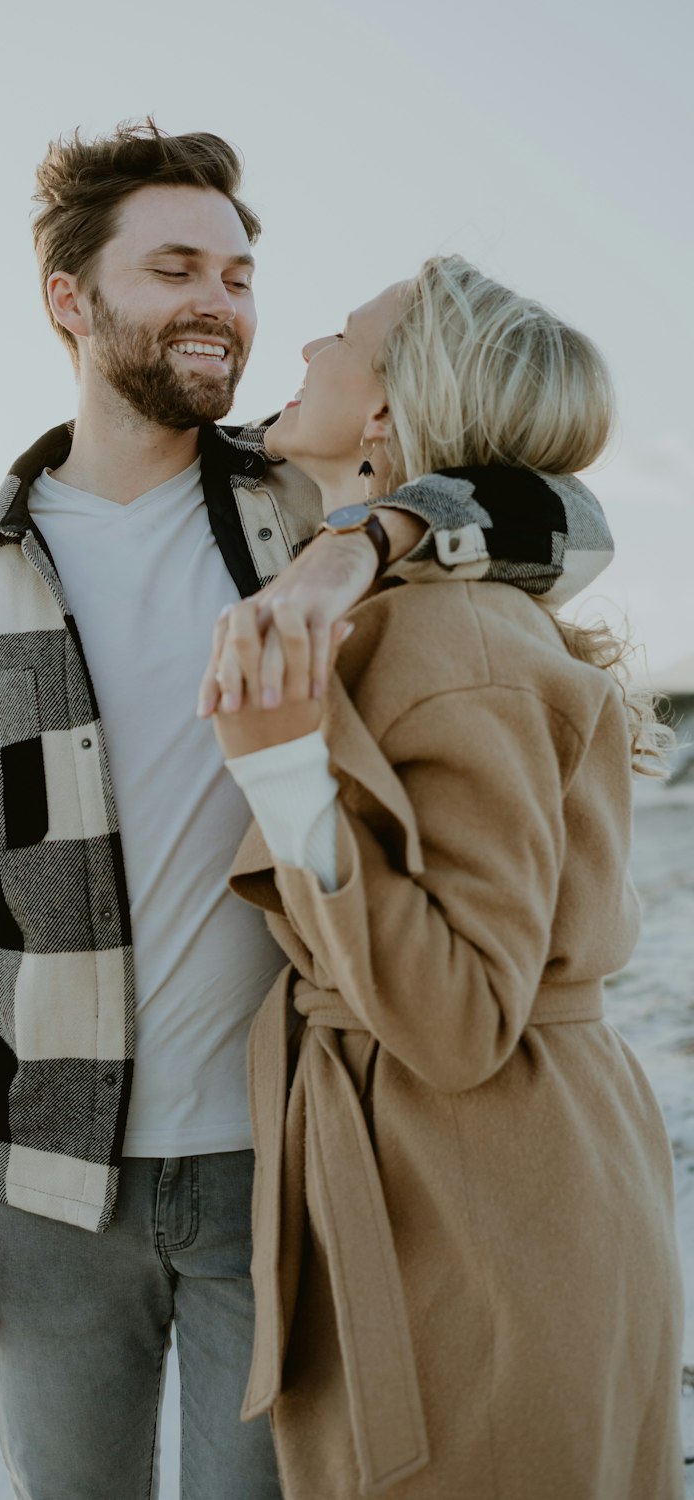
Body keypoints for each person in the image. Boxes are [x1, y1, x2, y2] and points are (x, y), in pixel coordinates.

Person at [0, 122, 618, 1500]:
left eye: (241, 271)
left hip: (287, 1169)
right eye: (177, 267)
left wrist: (365, 545)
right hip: (38, 1183)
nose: (223, 298)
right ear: (70, 302)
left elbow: (567, 510)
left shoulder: (308, 506)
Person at [210, 256, 684, 1499]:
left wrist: (282, 776)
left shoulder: (445, 633)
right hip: (493, 1171)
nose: (303, 345)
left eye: (340, 334)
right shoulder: (444, 594)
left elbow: (462, 1011)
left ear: (382, 413)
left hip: (478, 1201)